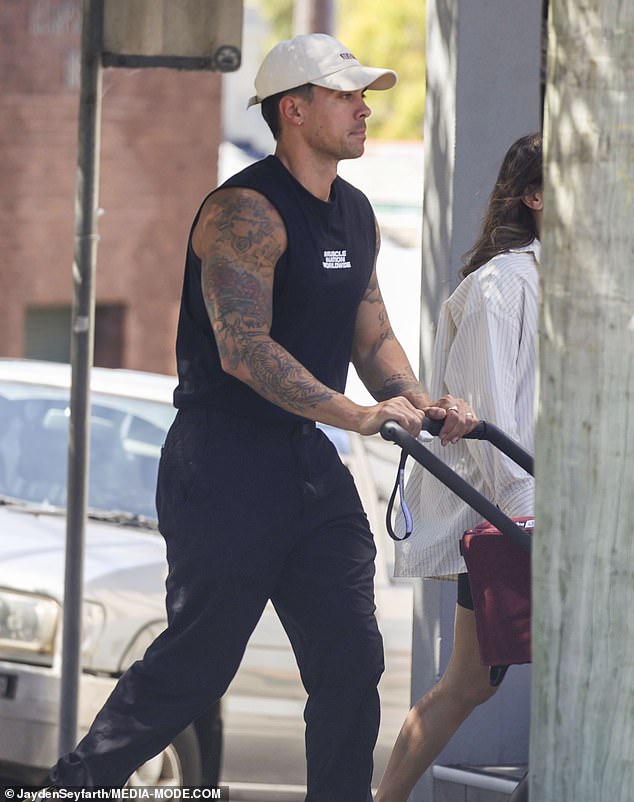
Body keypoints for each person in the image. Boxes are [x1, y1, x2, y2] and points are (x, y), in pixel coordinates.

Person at [49, 34, 475, 801]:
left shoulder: (355, 213)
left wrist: (417, 400)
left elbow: (371, 334)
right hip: (222, 462)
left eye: (364, 94)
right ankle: (70, 788)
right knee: (196, 667)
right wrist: (356, 414)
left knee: (352, 663)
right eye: (346, 95)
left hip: (305, 464)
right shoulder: (244, 210)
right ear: (294, 109)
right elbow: (244, 350)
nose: (364, 107)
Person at [374, 132, 542, 802]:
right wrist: (528, 526)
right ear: (533, 196)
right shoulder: (499, 289)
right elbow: (490, 426)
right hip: (522, 520)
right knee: (471, 682)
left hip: (554, 517)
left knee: (471, 681)